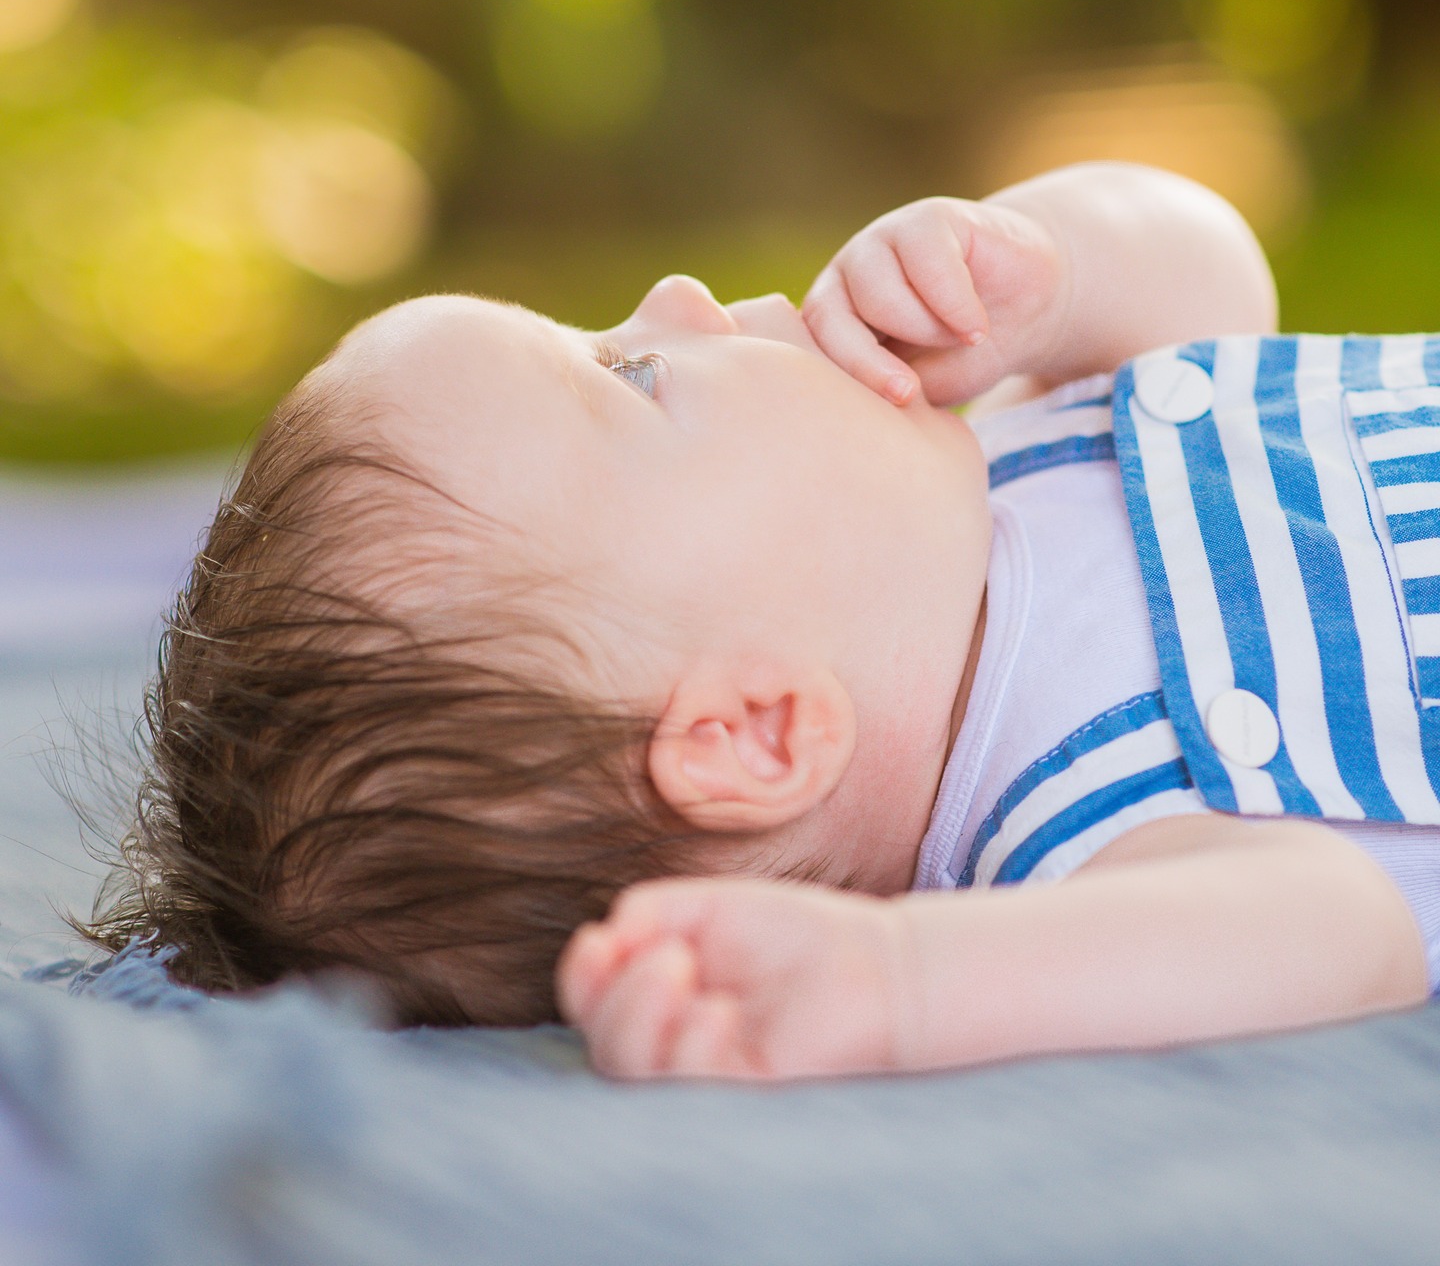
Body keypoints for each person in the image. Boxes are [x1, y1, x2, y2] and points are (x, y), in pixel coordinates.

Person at [84, 161, 1436, 1079]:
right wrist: (905, 985)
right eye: (639, 377)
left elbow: (1220, 289)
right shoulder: (1081, 816)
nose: (676, 293)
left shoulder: (1005, 457)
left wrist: (1047, 259)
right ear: (754, 732)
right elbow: (1344, 931)